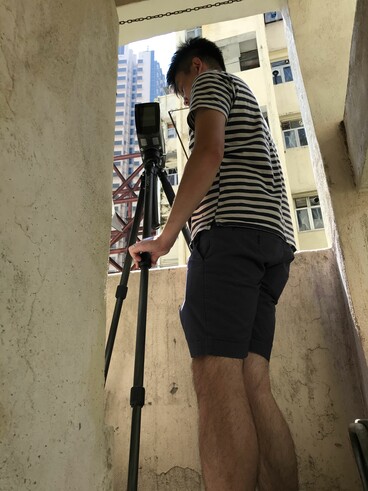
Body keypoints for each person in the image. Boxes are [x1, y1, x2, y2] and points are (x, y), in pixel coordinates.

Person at [129, 37, 298, 491]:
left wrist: (165, 238)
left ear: (196, 67)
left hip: (230, 240)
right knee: (253, 382)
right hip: (274, 246)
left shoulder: (211, 82)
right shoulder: (250, 102)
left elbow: (208, 151)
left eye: (183, 91)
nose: (187, 100)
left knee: (214, 374)